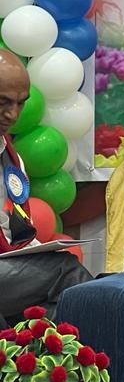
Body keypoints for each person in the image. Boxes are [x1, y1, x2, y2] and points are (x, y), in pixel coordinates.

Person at [0, 49, 91, 325]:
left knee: (51, 314)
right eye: (3, 102)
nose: (13, 114)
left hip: (7, 263)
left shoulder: (10, 157)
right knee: (65, 271)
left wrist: (39, 250)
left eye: (21, 103)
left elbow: (15, 226)